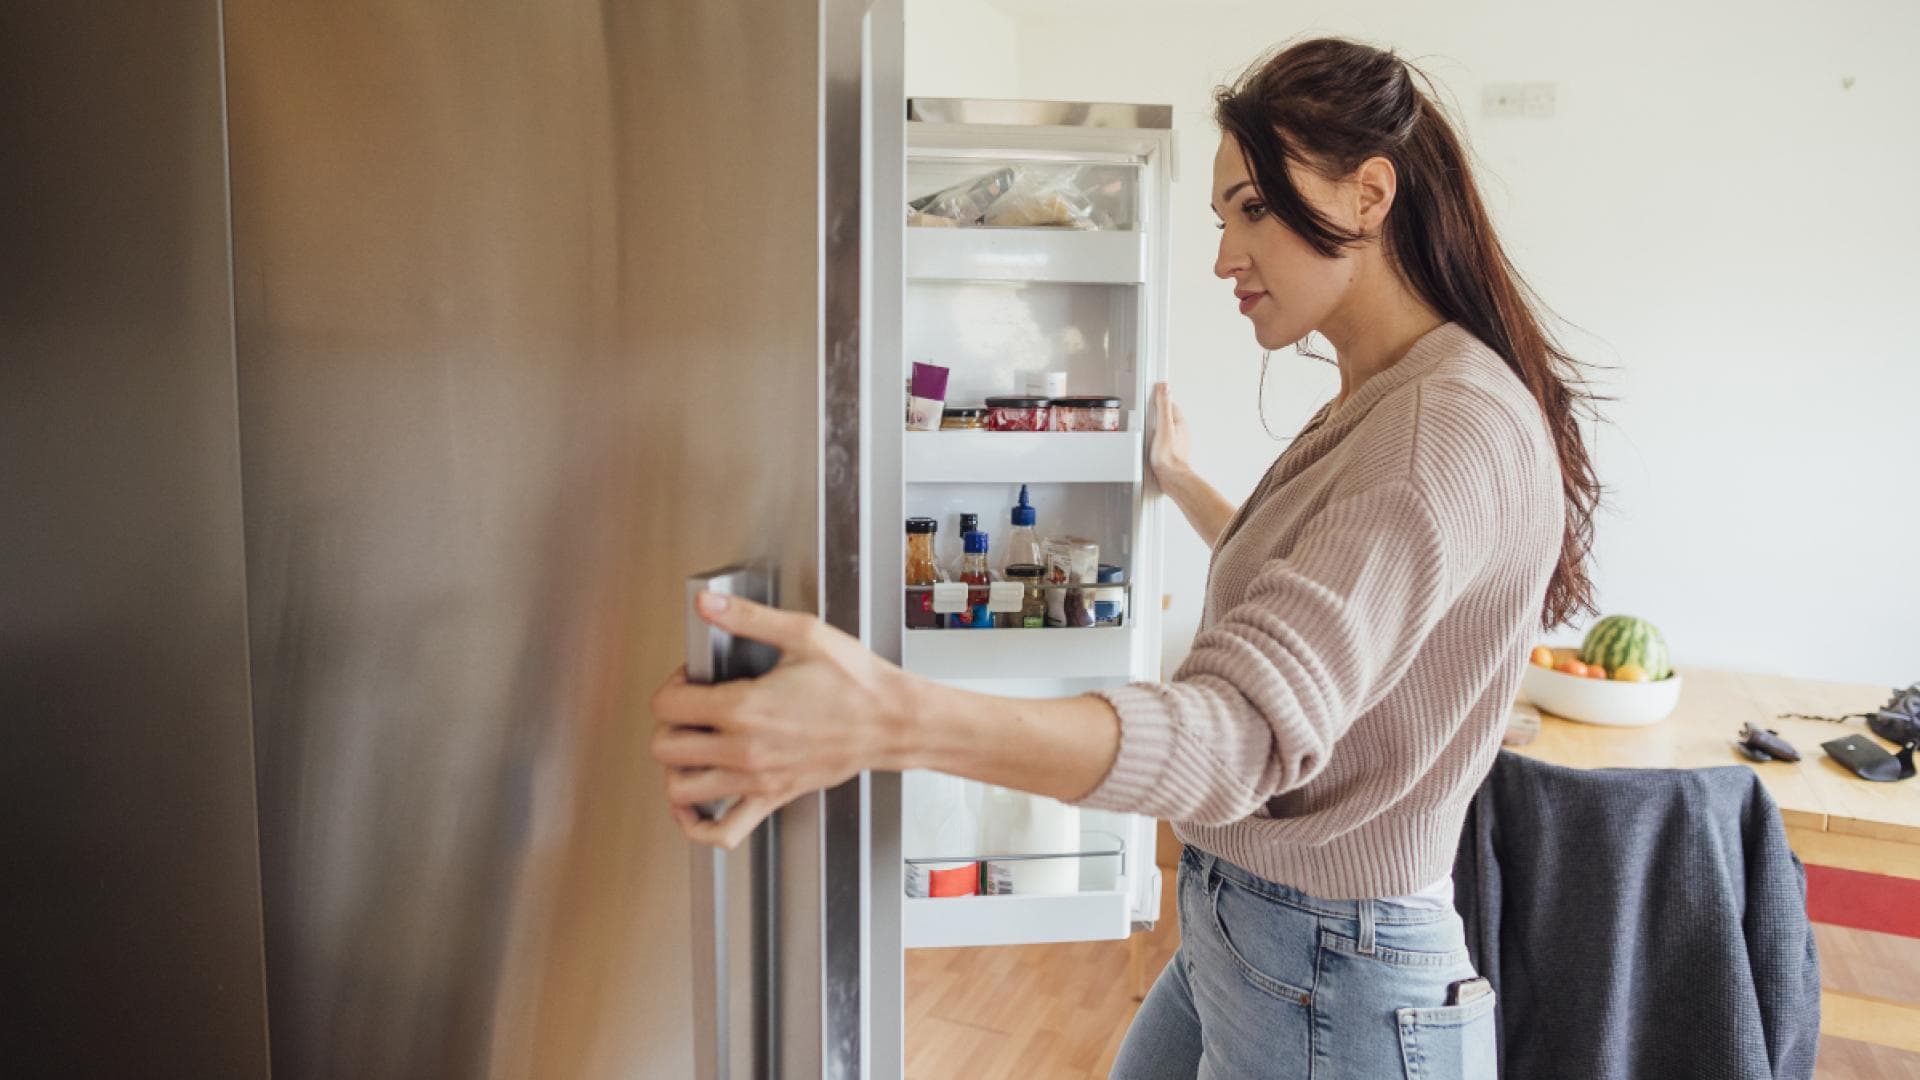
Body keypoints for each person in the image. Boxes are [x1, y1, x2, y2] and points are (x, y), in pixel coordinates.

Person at [650, 36, 1599, 1079]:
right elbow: (1330, 580)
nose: (1225, 257)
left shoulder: (1437, 429)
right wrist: (1182, 482)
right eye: (1220, 218)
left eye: (1252, 210)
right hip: (1264, 935)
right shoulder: (1400, 400)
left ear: (1368, 194)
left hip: (1337, 974)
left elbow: (1238, 736)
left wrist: (887, 718)